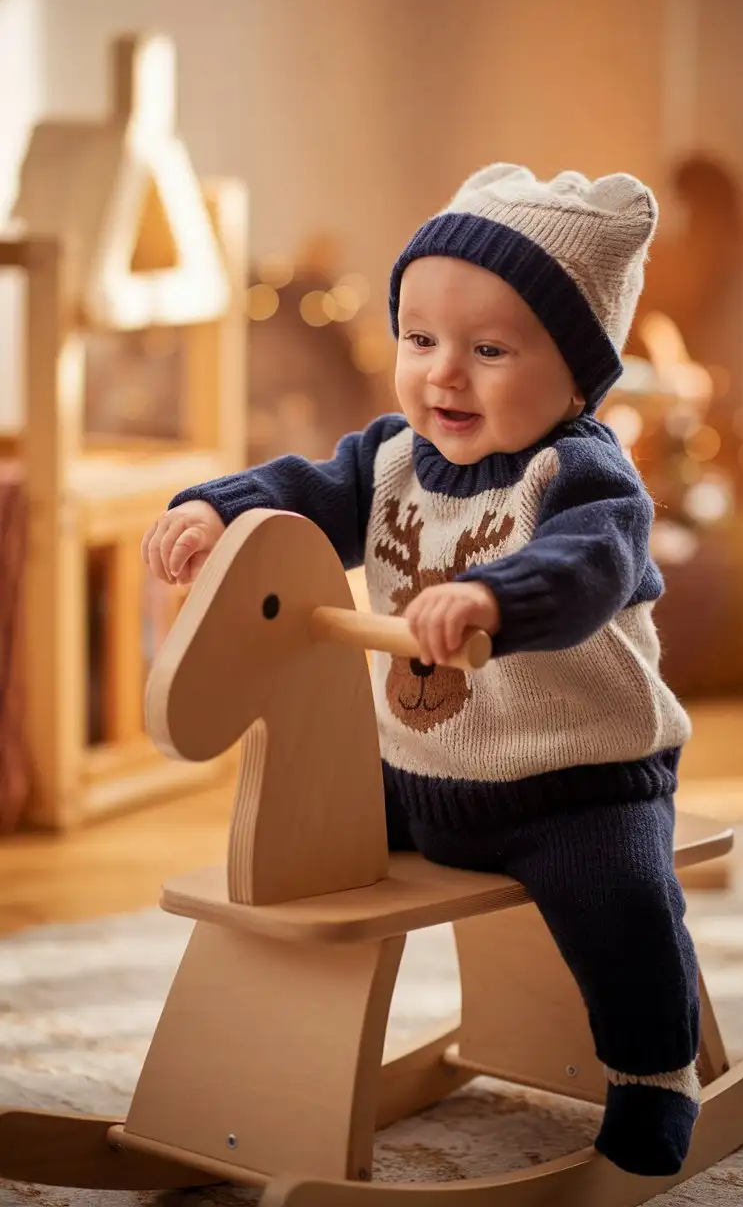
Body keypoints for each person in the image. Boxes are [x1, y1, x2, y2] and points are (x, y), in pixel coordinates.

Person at [141, 164, 699, 1177]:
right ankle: (264, 1079)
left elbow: (589, 566)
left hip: (571, 783)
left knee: (621, 897)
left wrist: (494, 598)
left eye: (488, 350)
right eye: (420, 339)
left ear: (576, 377)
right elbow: (301, 488)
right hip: (416, 775)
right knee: (305, 860)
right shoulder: (389, 459)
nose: (444, 374)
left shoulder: (579, 474)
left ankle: (654, 1073)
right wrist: (214, 508)